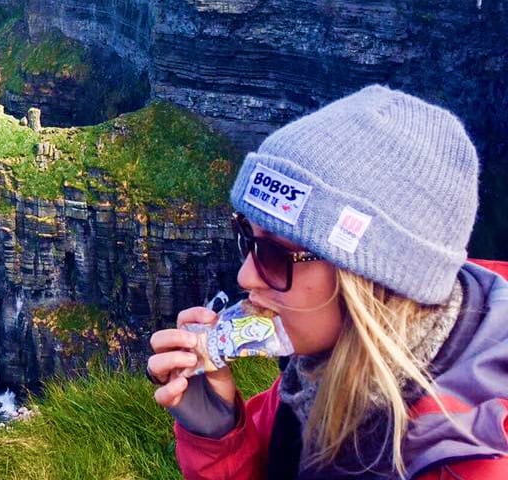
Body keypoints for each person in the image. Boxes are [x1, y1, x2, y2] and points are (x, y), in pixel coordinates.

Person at [147, 85, 508, 479]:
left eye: (274, 253)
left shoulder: (468, 465)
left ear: (372, 278)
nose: (245, 275)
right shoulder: (319, 374)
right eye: (246, 238)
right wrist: (218, 435)